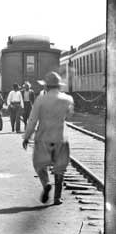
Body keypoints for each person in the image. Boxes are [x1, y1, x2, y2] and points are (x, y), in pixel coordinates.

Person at [22, 72, 74, 205]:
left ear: (46, 87)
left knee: (39, 165)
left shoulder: (40, 100)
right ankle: (57, 197)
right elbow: (69, 116)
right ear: (59, 86)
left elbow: (32, 120)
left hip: (43, 137)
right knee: (60, 167)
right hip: (61, 137)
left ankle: (46, 184)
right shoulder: (68, 99)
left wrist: (26, 137)